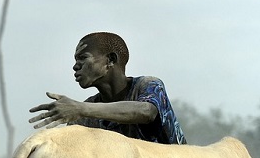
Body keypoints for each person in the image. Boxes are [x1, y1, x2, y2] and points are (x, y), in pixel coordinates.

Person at [28, 31, 186, 144]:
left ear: (110, 60)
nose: (75, 66)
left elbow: (146, 112)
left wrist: (80, 108)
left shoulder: (148, 85)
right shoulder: (84, 116)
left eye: (83, 58)